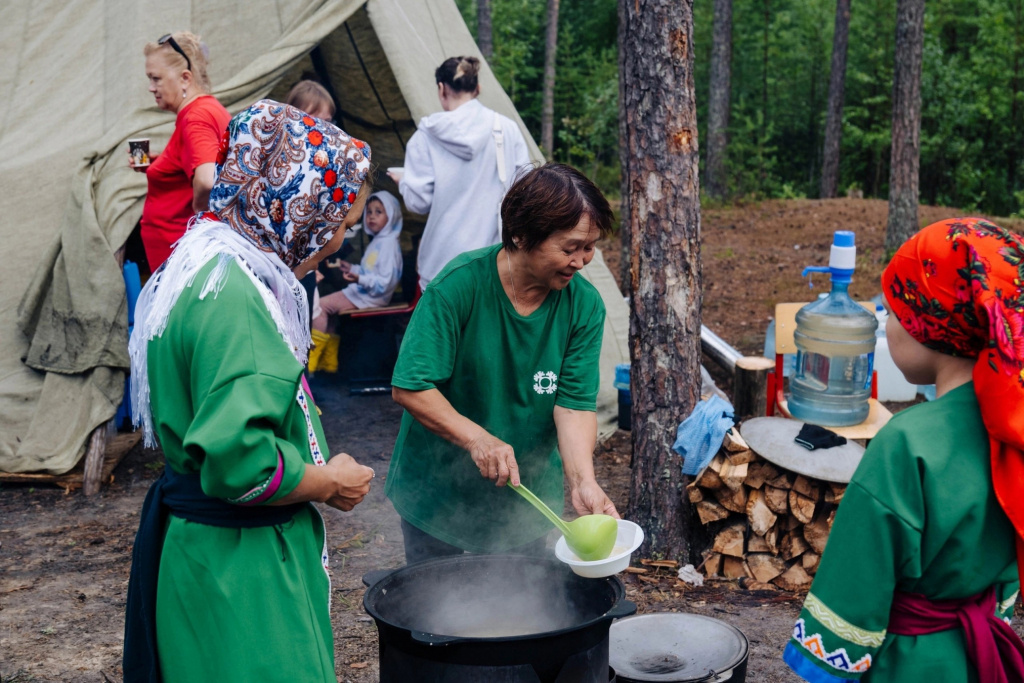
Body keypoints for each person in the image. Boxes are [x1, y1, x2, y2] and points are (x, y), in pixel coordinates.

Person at [123, 100, 375, 683]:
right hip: (243, 573)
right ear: (299, 207)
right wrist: (328, 481)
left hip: (199, 559)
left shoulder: (198, 259)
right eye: (338, 222)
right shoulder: (238, 299)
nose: (337, 241)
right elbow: (241, 465)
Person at [783, 217, 1024, 682]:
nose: (887, 325)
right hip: (979, 659)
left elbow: (853, 594)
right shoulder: (1013, 428)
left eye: (893, 312)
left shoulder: (907, 443)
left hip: (908, 667)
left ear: (930, 322)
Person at [385, 163, 619, 564]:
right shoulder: (458, 286)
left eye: (590, 247)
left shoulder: (584, 305)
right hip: (438, 494)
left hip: (527, 500)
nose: (581, 261)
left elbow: (574, 404)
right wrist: (478, 439)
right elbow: (411, 385)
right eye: (570, 247)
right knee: (435, 613)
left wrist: (583, 481)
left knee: (515, 613)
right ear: (521, 234)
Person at [389, 56, 531, 291]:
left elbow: (418, 203)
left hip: (442, 263)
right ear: (477, 89)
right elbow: (526, 190)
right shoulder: (507, 129)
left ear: (441, 89)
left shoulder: (424, 138)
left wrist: (404, 182)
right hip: (495, 260)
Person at [132, 32, 232, 271]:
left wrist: (200, 216)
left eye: (156, 78)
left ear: (185, 78)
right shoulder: (207, 108)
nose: (150, 87)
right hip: (185, 258)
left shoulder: (195, 118)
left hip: (183, 262)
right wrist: (163, 166)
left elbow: (207, 180)